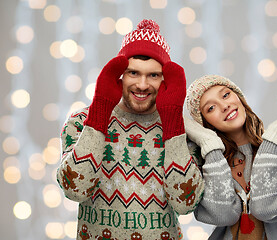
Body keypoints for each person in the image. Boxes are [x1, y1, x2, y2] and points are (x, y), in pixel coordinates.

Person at [57, 19, 204, 240]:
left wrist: (173, 123)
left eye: (153, 75)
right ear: (120, 75)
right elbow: (75, 189)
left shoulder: (185, 131)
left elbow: (185, 204)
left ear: (165, 78)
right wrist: (99, 112)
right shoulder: (80, 122)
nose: (142, 85)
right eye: (133, 73)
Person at [185, 75, 277, 240]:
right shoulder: (207, 164)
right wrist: (210, 145)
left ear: (239, 98)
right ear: (205, 123)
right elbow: (222, 215)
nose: (224, 106)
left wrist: (275, 136)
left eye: (226, 95)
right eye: (211, 108)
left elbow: (267, 209)